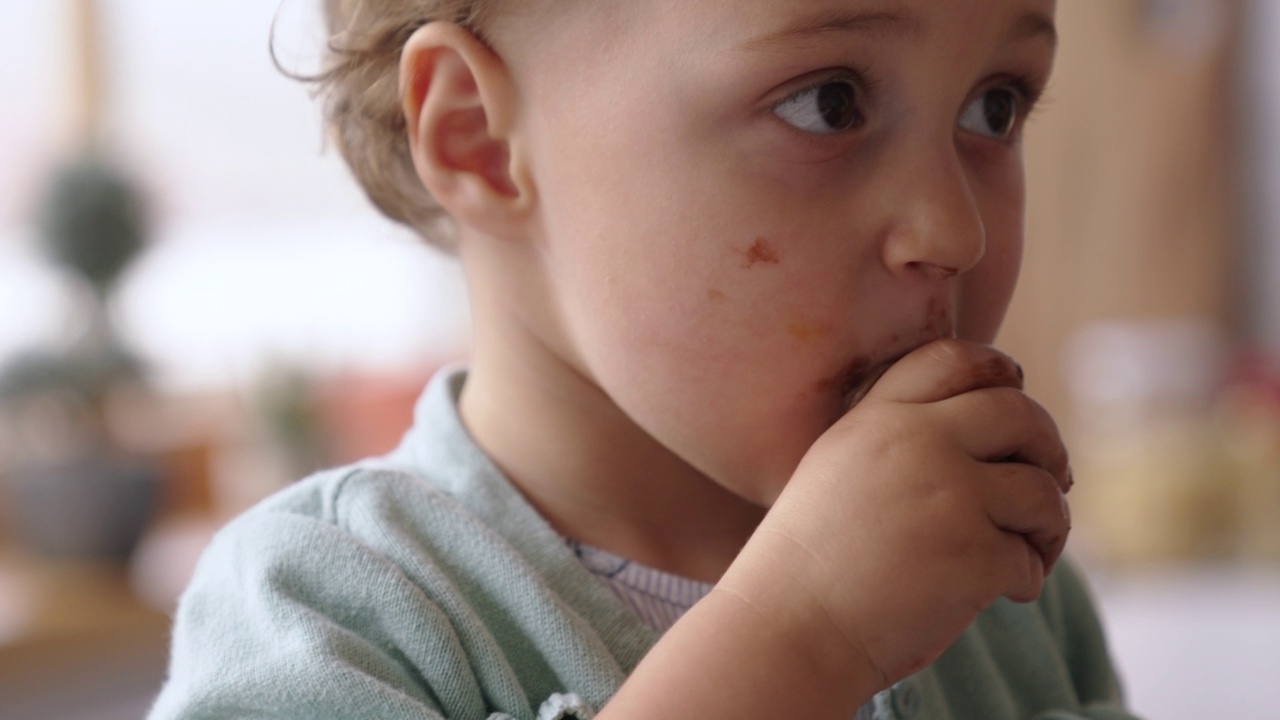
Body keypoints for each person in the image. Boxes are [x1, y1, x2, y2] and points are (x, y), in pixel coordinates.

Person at [149, 1, 1139, 718]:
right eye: (827, 103)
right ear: (480, 140)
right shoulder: (318, 615)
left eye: (993, 108)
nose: (951, 229)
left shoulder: (999, 586)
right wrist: (804, 640)